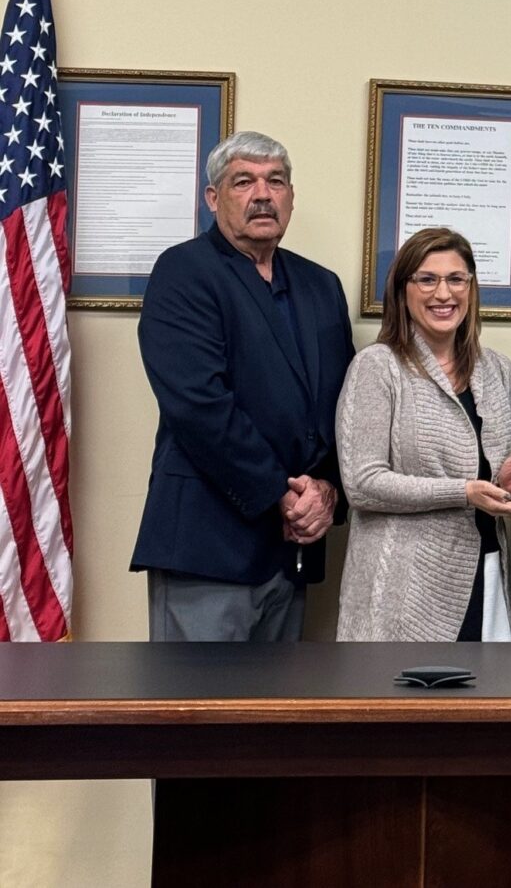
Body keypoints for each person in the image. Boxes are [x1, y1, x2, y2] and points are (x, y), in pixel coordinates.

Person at [130, 131, 354, 642]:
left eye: (276, 181)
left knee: (272, 719)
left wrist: (325, 490)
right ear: (213, 197)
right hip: (208, 542)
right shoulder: (184, 271)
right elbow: (199, 405)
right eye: (243, 181)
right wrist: (281, 494)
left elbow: (342, 404)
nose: (262, 194)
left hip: (294, 546)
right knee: (197, 713)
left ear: (291, 197)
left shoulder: (321, 285)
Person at [335, 226, 511, 641]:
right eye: (427, 279)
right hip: (403, 591)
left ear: (472, 289)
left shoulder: (498, 372)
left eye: (457, 279)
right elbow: (362, 484)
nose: (444, 293)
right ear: (403, 290)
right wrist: (463, 492)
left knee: (488, 702)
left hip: (488, 574)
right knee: (405, 705)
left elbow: (499, 485)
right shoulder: (377, 367)